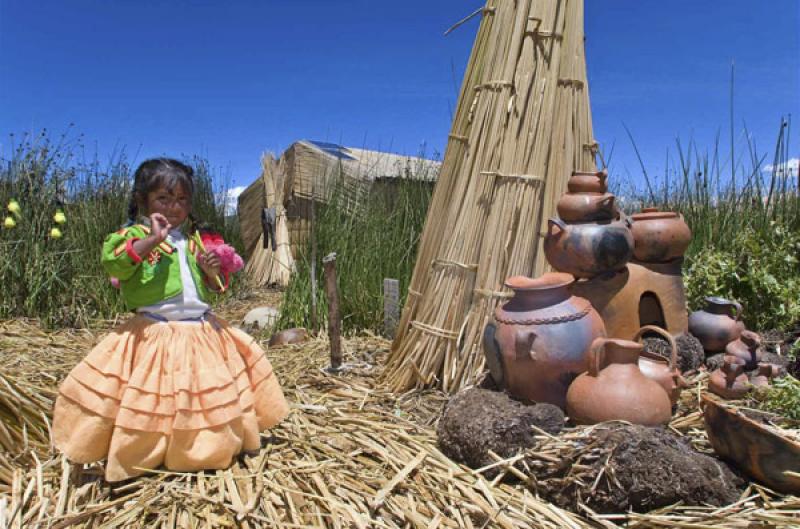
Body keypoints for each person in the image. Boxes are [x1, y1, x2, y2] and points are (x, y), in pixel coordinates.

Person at [52, 158, 289, 482]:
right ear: (142, 201)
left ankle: (203, 450)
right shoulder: (131, 234)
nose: (174, 207)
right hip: (154, 331)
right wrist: (150, 239)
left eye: (181, 200)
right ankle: (146, 454)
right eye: (164, 199)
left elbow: (214, 287)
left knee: (202, 397)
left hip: (200, 329)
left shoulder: (192, 242)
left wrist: (210, 271)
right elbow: (116, 264)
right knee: (152, 398)